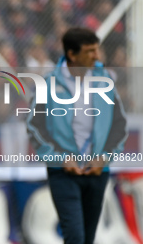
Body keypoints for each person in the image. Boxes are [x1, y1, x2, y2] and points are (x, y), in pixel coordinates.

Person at [27, 27, 127, 244]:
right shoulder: (48, 83)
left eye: (96, 50)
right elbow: (35, 127)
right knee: (75, 236)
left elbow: (119, 125)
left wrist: (105, 157)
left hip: (97, 172)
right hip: (63, 173)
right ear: (72, 55)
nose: (97, 56)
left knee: (88, 238)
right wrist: (60, 159)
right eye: (90, 51)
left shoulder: (104, 81)